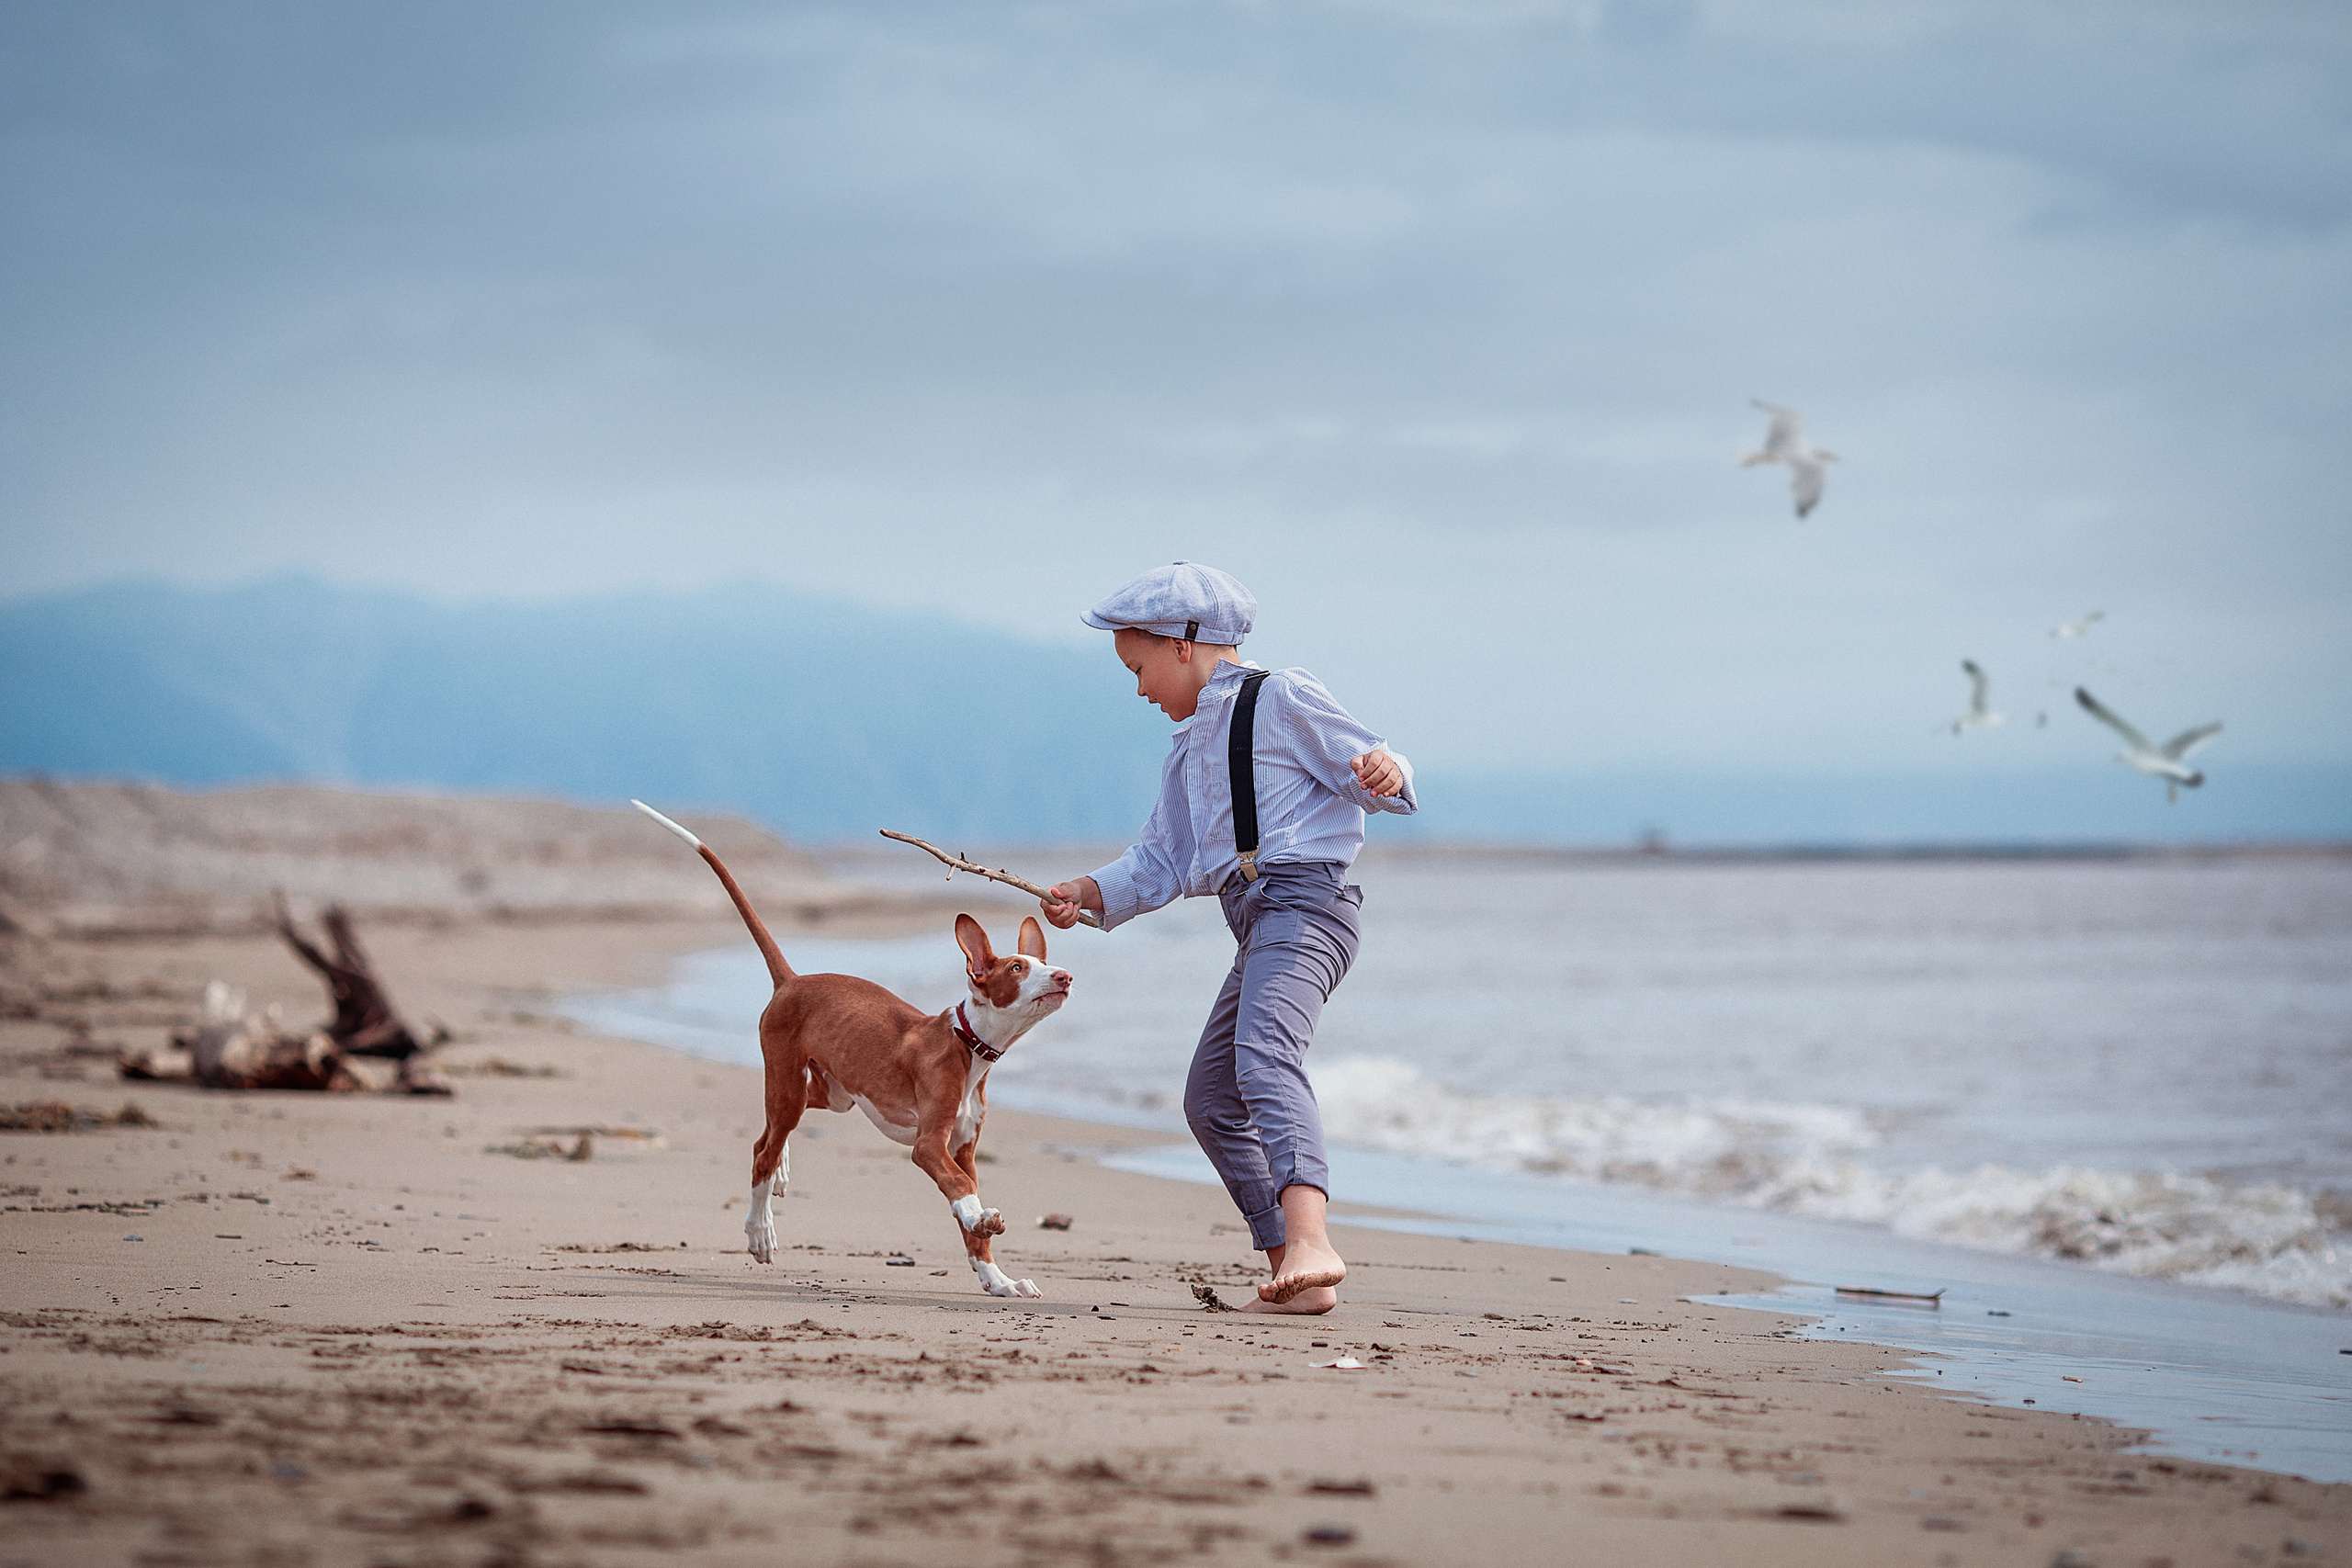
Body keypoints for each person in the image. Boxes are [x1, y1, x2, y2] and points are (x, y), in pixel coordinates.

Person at [1039, 562, 1416, 1313]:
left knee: (1263, 1054)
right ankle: (1290, 1275)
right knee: (1210, 1098)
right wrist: (1088, 892)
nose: (1139, 688)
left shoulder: (1282, 697)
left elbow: (1379, 766)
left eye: (1139, 667)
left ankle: (1313, 1237)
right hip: (1255, 920)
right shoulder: (1188, 749)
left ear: (1185, 643)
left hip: (1309, 903)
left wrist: (1385, 767)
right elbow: (1160, 860)